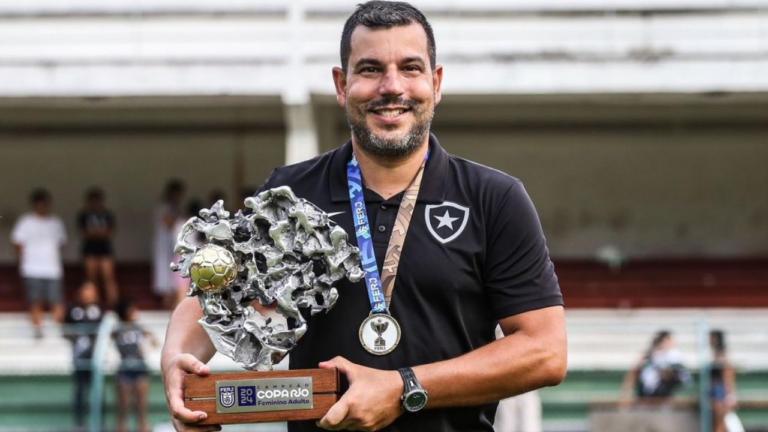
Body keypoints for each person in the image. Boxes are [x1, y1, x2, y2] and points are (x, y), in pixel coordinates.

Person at [161, 2, 567, 432]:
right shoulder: (291, 194)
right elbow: (215, 295)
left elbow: (545, 351)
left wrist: (403, 386)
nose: (392, 87)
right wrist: (175, 360)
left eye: (410, 68)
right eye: (370, 69)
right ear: (342, 84)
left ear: (436, 81)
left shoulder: (493, 199)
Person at [11, 188, 67, 338]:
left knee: (56, 300)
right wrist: (22, 261)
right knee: (35, 300)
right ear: (34, 204)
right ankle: (38, 329)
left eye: (44, 203)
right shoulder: (26, 222)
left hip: (52, 268)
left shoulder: (55, 222)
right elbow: (17, 243)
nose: (42, 206)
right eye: (39, 203)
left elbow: (61, 243)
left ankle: (60, 330)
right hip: (32, 268)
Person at [114, 298, 159, 432]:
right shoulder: (117, 329)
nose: (134, 312)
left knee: (141, 409)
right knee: (123, 409)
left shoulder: (139, 327)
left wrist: (145, 349)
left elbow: (155, 340)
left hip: (140, 368)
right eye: (131, 310)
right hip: (124, 369)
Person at [63, 281, 103, 429]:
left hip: (95, 357)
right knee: (80, 389)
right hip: (79, 356)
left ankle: (98, 420)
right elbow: (65, 330)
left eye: (91, 291)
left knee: (97, 388)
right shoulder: (73, 309)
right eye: (86, 291)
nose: (88, 295)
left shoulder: (98, 309)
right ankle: (79, 422)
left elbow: (104, 331)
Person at [621, 330, 692, 407]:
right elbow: (633, 374)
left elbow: (682, 378)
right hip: (645, 398)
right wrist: (626, 395)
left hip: (663, 399)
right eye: (667, 341)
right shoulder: (648, 356)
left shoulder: (675, 357)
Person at [78, 187, 119, 307]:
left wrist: (96, 233)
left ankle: (113, 306)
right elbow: (85, 232)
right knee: (91, 278)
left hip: (105, 249)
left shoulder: (107, 215)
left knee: (109, 277)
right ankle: (93, 304)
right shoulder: (84, 215)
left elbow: (110, 232)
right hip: (90, 249)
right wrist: (100, 233)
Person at [154, 180, 186, 310]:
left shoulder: (178, 208)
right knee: (165, 277)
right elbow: (170, 223)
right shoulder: (163, 208)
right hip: (165, 246)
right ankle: (166, 304)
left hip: (176, 247)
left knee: (176, 281)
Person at [710, 330, 737, 432]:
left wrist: (729, 395)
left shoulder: (723, 356)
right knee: (716, 422)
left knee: (720, 421)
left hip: (720, 391)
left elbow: (728, 375)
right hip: (716, 390)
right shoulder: (716, 355)